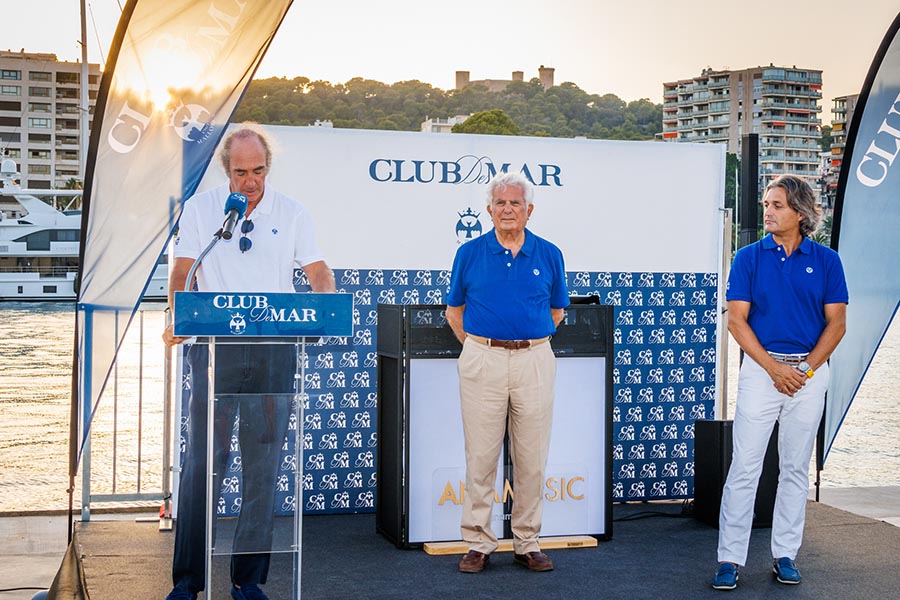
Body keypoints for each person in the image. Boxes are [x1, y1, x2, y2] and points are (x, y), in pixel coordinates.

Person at [163, 124, 335, 600]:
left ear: (267, 168)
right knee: (204, 462)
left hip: (274, 353)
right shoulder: (201, 210)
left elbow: (317, 269)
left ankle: (248, 580)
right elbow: (183, 269)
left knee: (263, 464)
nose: (250, 181)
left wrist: (326, 301)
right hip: (215, 348)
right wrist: (179, 311)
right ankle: (188, 580)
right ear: (227, 172)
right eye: (241, 172)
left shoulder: (293, 212)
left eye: (258, 171)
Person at [711, 175, 848, 590]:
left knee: (793, 469)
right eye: (766, 204)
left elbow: (837, 325)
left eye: (777, 205)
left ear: (801, 213)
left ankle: (785, 554)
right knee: (745, 467)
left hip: (808, 374)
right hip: (760, 373)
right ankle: (729, 559)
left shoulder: (827, 261)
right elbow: (736, 321)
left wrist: (803, 371)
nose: (768, 211)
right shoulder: (748, 257)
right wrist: (774, 369)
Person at [446, 171, 569, 574]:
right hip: (482, 359)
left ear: (529, 210)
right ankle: (478, 543)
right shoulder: (469, 253)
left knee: (532, 457)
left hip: (534, 359)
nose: (507, 209)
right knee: (481, 457)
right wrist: (483, 349)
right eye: (500, 203)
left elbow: (556, 311)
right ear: (488, 210)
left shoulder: (550, 254)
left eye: (515, 203)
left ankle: (527, 542)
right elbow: (454, 312)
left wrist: (522, 343)